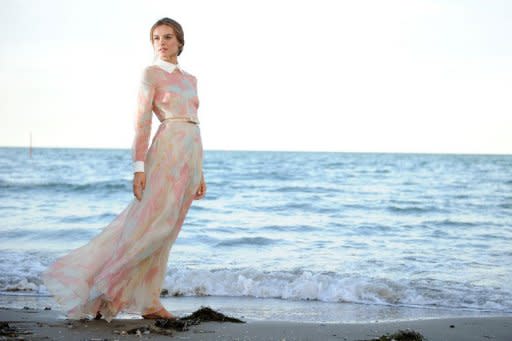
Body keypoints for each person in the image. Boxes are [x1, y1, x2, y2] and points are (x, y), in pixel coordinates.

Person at [42, 17, 206, 323]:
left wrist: (201, 171)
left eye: (168, 37)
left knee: (168, 232)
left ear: (180, 41)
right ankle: (104, 287)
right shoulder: (151, 74)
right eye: (156, 38)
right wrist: (138, 168)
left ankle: (149, 302)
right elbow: (142, 122)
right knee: (150, 227)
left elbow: (194, 123)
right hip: (166, 152)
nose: (162, 42)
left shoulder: (191, 79)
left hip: (190, 157)